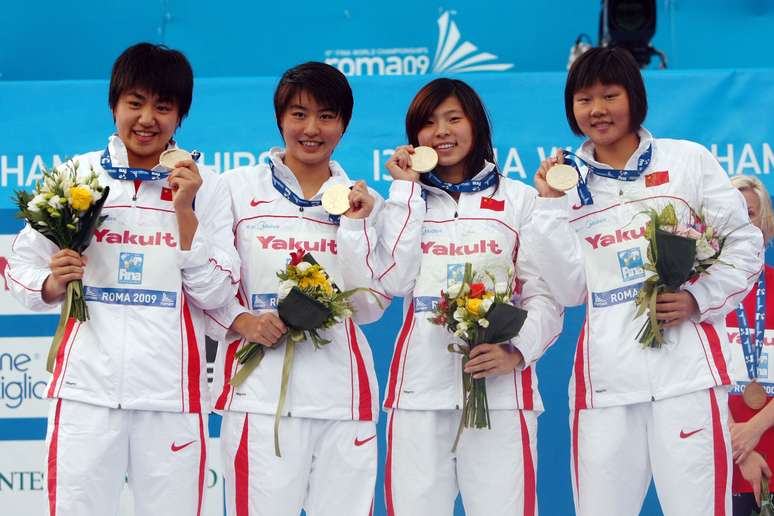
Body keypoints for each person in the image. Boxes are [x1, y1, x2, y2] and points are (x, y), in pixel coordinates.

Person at [5, 43, 239, 516]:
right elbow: (18, 269)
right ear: (114, 104)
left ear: (181, 116)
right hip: (85, 393)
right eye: (135, 103)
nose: (147, 118)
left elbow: (217, 293)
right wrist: (51, 284)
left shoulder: (206, 187)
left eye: (163, 106)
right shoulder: (79, 175)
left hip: (171, 399)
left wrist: (184, 213)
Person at [534, 47, 764, 515]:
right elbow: (568, 289)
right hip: (607, 387)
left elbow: (744, 245)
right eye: (583, 99)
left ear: (634, 98)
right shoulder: (565, 184)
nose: (597, 110)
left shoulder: (687, 161)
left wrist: (698, 299)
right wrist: (548, 208)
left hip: (687, 381)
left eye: (609, 95)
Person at [376, 78, 566, 516]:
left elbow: (545, 297)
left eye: (453, 119)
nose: (441, 131)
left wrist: (516, 352)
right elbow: (394, 281)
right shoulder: (403, 202)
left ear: (476, 125)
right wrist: (405, 192)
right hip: (419, 395)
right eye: (428, 123)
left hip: (500, 396)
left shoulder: (520, 199)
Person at [206, 61, 388, 516]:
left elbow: (369, 305)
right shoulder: (234, 188)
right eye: (299, 114)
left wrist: (355, 228)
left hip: (343, 400)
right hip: (259, 398)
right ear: (280, 119)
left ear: (344, 124)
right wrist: (242, 320)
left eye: (327, 116)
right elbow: (203, 281)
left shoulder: (365, 202)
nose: (312, 129)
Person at [726, 175, 774, 514]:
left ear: (765, 223)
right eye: (732, 214)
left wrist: (754, 430)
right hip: (724, 453)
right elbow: (692, 376)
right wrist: (738, 443)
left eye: (751, 213)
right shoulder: (697, 296)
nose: (743, 224)